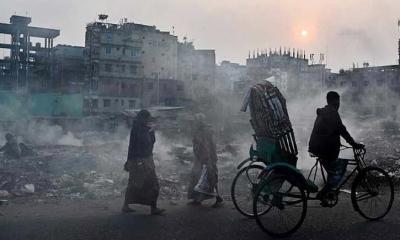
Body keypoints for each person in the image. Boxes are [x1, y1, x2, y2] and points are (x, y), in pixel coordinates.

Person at [309, 91, 364, 206]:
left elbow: (334, 130)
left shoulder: (324, 112)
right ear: (335, 101)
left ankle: (327, 195)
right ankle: (324, 193)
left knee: (333, 169)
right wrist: (354, 144)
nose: (339, 104)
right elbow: (342, 130)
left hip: (318, 147)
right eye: (338, 101)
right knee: (340, 169)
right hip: (324, 149)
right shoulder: (332, 113)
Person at [122, 110, 165, 215]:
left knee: (135, 183)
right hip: (140, 161)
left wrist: (151, 132)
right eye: (147, 118)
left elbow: (151, 143)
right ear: (143, 118)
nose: (148, 120)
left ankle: (126, 205)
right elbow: (133, 147)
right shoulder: (138, 129)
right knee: (151, 184)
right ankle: (153, 208)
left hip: (144, 160)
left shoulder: (144, 129)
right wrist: (131, 161)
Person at [187, 113, 223, 207]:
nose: (195, 122)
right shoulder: (199, 130)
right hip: (200, 158)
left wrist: (207, 159)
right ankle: (197, 199)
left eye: (197, 121)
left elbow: (209, 145)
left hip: (207, 158)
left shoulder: (207, 131)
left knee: (211, 178)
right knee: (197, 177)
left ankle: (218, 198)